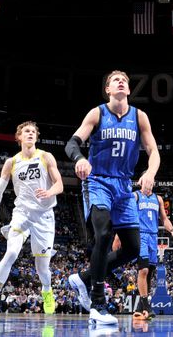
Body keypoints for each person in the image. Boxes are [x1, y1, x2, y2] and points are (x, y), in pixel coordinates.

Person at [65, 70, 160, 325]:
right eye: (115, 80)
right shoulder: (97, 113)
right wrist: (80, 159)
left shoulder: (140, 117)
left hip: (124, 187)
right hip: (98, 181)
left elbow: (153, 151)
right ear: (108, 89)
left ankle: (84, 279)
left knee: (132, 248)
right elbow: (72, 143)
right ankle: (98, 303)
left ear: (128, 90)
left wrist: (150, 172)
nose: (121, 82)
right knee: (104, 234)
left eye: (125, 81)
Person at [0, 121, 63, 320]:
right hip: (22, 213)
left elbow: (59, 184)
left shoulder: (46, 156)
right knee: (11, 252)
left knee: (42, 268)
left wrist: (49, 191)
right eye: (26, 131)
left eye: (33, 131)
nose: (30, 134)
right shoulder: (11, 162)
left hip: (44, 216)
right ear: (19, 137)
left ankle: (47, 291)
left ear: (36, 137)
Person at [112, 187, 173, 320]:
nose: (150, 183)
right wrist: (117, 237)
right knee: (143, 270)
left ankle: (139, 308)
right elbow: (125, 215)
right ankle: (146, 305)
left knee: (150, 272)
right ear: (142, 181)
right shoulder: (135, 196)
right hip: (140, 235)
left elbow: (164, 219)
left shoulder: (158, 199)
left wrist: (172, 231)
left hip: (153, 237)